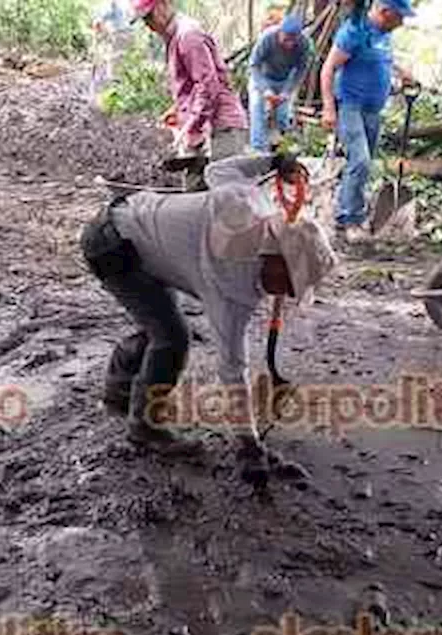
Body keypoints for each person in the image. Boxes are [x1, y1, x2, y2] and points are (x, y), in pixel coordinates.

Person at [80, 153, 337, 481]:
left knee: (157, 320)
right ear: (273, 259)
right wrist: (248, 444)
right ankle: (143, 429)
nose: (286, 294)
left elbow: (219, 169)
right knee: (171, 338)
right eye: (289, 283)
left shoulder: (248, 203)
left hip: (136, 227)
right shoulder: (229, 283)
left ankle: (118, 391)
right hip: (112, 247)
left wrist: (273, 161)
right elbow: (232, 367)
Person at [319, 0, 416, 240]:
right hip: (350, 106)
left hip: (373, 110)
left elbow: (382, 61)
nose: (402, 24)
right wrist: (329, 108)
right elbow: (328, 68)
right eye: (399, 18)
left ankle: (345, 210)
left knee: (362, 164)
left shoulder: (383, 35)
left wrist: (402, 75)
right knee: (360, 161)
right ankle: (351, 220)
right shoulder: (354, 31)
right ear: (385, 13)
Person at [132, 0, 250, 191]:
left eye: (149, 17)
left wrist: (192, 126)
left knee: (226, 199)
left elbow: (208, 86)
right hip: (206, 128)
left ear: (163, 5)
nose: (149, 26)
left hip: (221, 129)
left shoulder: (188, 36)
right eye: (144, 21)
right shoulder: (175, 37)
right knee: (195, 196)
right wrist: (179, 110)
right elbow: (193, 86)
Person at [248, 13, 315, 153]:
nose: (289, 44)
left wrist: (288, 91)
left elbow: (301, 70)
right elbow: (254, 65)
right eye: (286, 39)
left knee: (283, 116)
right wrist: (265, 89)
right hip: (262, 78)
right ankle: (258, 150)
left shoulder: (304, 44)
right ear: (279, 32)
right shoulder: (267, 38)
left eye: (293, 40)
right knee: (257, 110)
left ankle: (282, 147)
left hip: (285, 80)